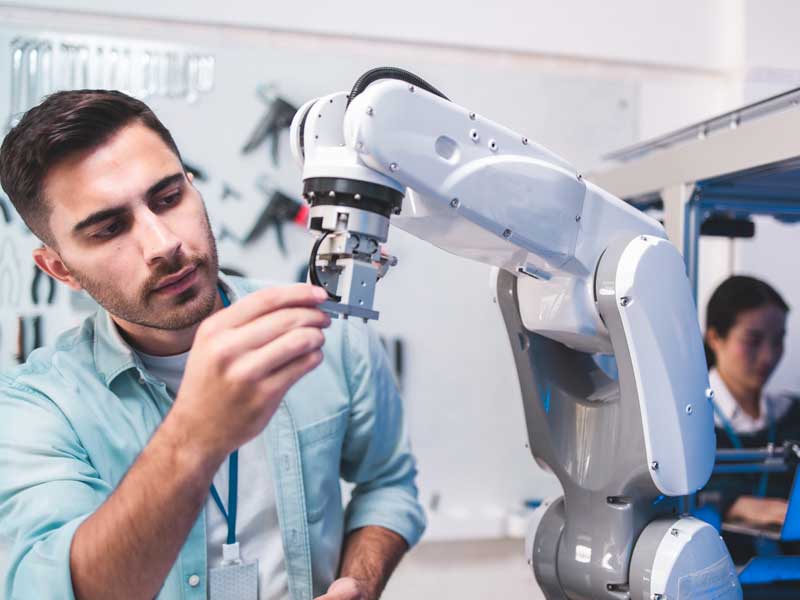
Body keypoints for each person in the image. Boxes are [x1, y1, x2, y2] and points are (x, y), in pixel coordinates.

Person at [0, 90, 425, 600]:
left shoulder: (326, 329)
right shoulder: (35, 409)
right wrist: (194, 435)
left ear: (192, 187)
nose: (162, 245)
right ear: (60, 269)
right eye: (109, 228)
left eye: (168, 198)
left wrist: (359, 581)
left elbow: (389, 486)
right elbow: (60, 590)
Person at [699, 274, 800, 563]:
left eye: (778, 341)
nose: (769, 356)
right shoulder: (688, 418)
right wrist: (731, 504)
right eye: (753, 341)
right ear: (715, 337)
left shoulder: (790, 414)